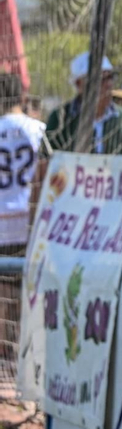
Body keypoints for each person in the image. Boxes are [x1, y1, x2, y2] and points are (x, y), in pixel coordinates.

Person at [0, 71, 47, 400]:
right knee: (26, 293)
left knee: (3, 294)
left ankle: (4, 364)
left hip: (1, 220)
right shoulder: (38, 129)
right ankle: (22, 362)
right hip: (29, 220)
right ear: (22, 97)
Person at [46, 53, 122, 155]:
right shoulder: (61, 117)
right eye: (101, 79)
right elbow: (46, 159)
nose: (109, 84)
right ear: (79, 84)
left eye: (110, 77)